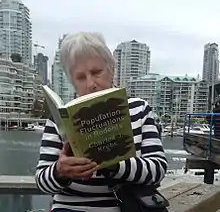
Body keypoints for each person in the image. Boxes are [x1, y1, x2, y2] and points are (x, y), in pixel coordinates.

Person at [35, 32, 168, 212]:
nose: (91, 84)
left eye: (96, 72)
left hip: (124, 206)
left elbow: (157, 170)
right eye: (81, 77)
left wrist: (115, 163)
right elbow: (43, 182)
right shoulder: (60, 121)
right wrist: (60, 171)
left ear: (111, 69)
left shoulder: (139, 110)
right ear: (72, 81)